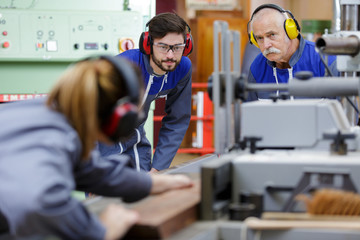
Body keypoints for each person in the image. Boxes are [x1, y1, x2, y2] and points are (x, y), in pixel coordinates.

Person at [0, 55, 193, 240]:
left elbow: (91, 171)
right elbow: (38, 201)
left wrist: (153, 184)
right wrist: (103, 231)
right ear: (120, 117)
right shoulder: (59, 138)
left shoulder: (51, 113)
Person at [98, 12, 193, 173]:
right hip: (101, 137)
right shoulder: (123, 66)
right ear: (148, 44)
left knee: (144, 192)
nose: (170, 55)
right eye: (163, 47)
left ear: (187, 46)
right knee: (105, 195)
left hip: (135, 138)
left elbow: (177, 120)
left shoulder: (183, 68)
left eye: (177, 47)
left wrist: (158, 167)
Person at [246, 4, 338, 100]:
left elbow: (344, 113)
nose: (266, 45)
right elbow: (250, 113)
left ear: (290, 31)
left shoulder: (325, 61)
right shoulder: (257, 67)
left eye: (272, 35)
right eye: (259, 38)